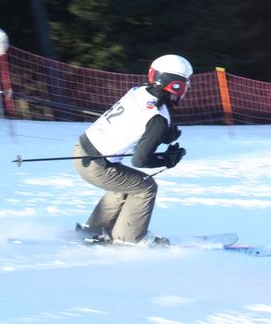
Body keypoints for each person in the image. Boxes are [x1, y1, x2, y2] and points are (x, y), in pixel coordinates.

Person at [73, 54, 192, 246]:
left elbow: (134, 123)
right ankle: (130, 237)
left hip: (82, 151)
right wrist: (167, 159)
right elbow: (139, 160)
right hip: (97, 166)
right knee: (146, 186)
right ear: (176, 85)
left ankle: (95, 228)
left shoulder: (139, 91)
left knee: (126, 182)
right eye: (186, 83)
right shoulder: (159, 117)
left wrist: (162, 135)